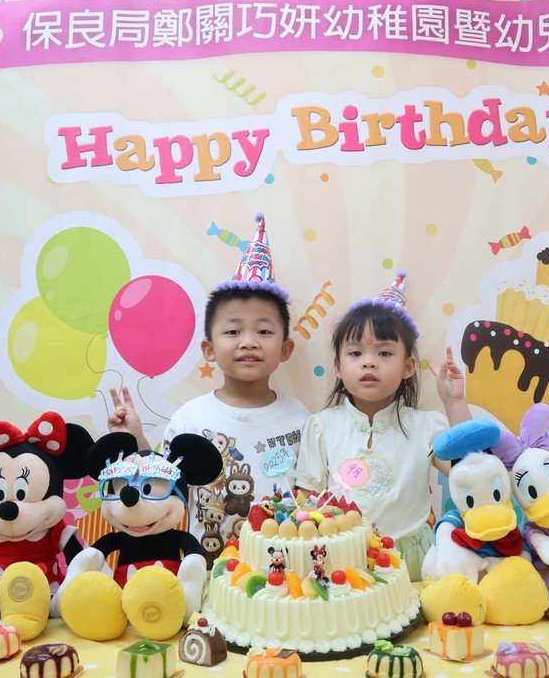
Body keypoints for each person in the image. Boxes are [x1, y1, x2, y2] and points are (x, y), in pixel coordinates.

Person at [109, 214, 309, 565]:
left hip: (283, 572)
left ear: (285, 349)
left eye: (264, 331)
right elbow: (160, 482)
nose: (248, 342)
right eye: (233, 331)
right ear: (209, 349)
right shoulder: (191, 418)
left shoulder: (301, 419)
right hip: (206, 571)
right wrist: (136, 438)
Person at [293, 272, 470, 581]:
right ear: (338, 366)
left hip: (412, 562)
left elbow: (468, 470)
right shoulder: (321, 426)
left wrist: (454, 402)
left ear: (408, 367)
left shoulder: (426, 426)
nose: (369, 362)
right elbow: (307, 500)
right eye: (355, 353)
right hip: (342, 561)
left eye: (385, 353)